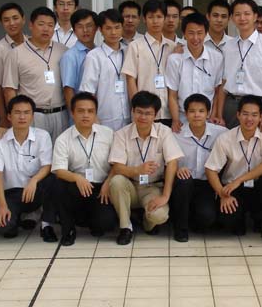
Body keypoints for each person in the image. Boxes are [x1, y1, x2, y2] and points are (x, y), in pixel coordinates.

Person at [108, 91, 183, 244]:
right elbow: (117, 167)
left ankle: (147, 223)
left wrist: (165, 196)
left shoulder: (164, 132)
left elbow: (172, 163)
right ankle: (125, 227)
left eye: (148, 113)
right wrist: (137, 170)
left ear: (156, 114)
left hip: (152, 187)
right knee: (116, 181)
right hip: (130, 185)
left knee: (160, 216)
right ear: (132, 111)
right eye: (139, 112)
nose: (143, 117)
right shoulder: (122, 134)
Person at [0, 95, 57, 241]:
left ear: (32, 116)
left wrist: (34, 180)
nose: (22, 117)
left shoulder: (42, 136)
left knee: (54, 179)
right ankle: (15, 219)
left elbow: (47, 165)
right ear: (9, 116)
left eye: (26, 112)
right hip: (11, 194)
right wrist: (2, 206)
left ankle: (46, 225)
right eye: (17, 112)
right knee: (3, 226)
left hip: (35, 191)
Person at [205, 96, 262, 240]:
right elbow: (210, 169)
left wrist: (239, 180)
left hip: (257, 187)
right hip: (234, 189)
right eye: (245, 114)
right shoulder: (226, 138)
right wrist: (222, 194)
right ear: (238, 115)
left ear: (261, 116)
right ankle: (239, 221)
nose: (249, 119)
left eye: (254, 115)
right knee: (229, 221)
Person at [51, 92, 118, 246]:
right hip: (78, 187)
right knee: (58, 184)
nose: (86, 115)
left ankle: (92, 222)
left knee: (105, 224)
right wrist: (77, 178)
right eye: (81, 111)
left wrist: (108, 182)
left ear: (95, 113)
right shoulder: (63, 139)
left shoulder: (108, 134)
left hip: (101, 188)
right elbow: (59, 170)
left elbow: (117, 163)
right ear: (72, 113)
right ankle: (68, 230)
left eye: (90, 111)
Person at [218, 0, 262, 130]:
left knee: (260, 142)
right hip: (232, 105)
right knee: (231, 141)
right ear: (232, 18)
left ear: (255, 16)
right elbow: (223, 82)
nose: (242, 18)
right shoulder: (228, 46)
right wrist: (219, 113)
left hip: (258, 105)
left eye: (247, 14)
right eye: (237, 14)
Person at [3, 7, 69, 143]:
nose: (46, 29)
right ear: (31, 25)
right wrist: (16, 117)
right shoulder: (16, 54)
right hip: (33, 115)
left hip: (61, 114)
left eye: (50, 25)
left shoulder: (63, 51)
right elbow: (9, 89)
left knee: (60, 152)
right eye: (41, 24)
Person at [170, 94, 228, 242]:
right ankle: (181, 229)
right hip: (183, 182)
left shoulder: (220, 133)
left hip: (207, 183)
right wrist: (177, 169)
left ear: (208, 113)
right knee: (184, 182)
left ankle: (194, 220)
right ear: (185, 113)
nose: (197, 115)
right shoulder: (176, 134)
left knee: (206, 217)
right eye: (192, 111)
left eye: (201, 111)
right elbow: (168, 160)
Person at [166, 12, 225, 131]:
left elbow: (217, 91)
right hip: (183, 118)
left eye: (199, 33)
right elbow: (172, 95)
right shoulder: (174, 59)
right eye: (191, 33)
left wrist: (213, 115)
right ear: (184, 34)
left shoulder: (217, 57)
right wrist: (175, 120)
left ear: (206, 33)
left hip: (208, 118)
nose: (195, 38)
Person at [122, 0, 176, 125]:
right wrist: (137, 107)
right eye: (151, 17)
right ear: (144, 19)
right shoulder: (135, 46)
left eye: (159, 17)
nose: (155, 21)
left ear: (164, 19)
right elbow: (130, 80)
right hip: (145, 113)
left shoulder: (172, 47)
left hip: (168, 112)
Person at [79, 9, 131, 131]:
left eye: (117, 27)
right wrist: (93, 117)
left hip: (129, 118)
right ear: (100, 30)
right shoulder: (94, 56)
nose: (113, 32)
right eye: (108, 28)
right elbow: (88, 91)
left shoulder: (129, 51)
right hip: (104, 119)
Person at [0, 3, 27, 127]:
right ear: (2, 23)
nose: (11, 23)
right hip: (15, 110)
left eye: (15, 18)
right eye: (6, 20)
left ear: (23, 19)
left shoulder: (31, 43)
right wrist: (3, 116)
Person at [59, 9, 99, 110]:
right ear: (74, 30)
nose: (85, 30)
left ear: (96, 28)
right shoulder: (70, 56)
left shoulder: (99, 53)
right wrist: (76, 114)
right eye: (80, 26)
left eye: (89, 26)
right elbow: (68, 90)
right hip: (82, 113)